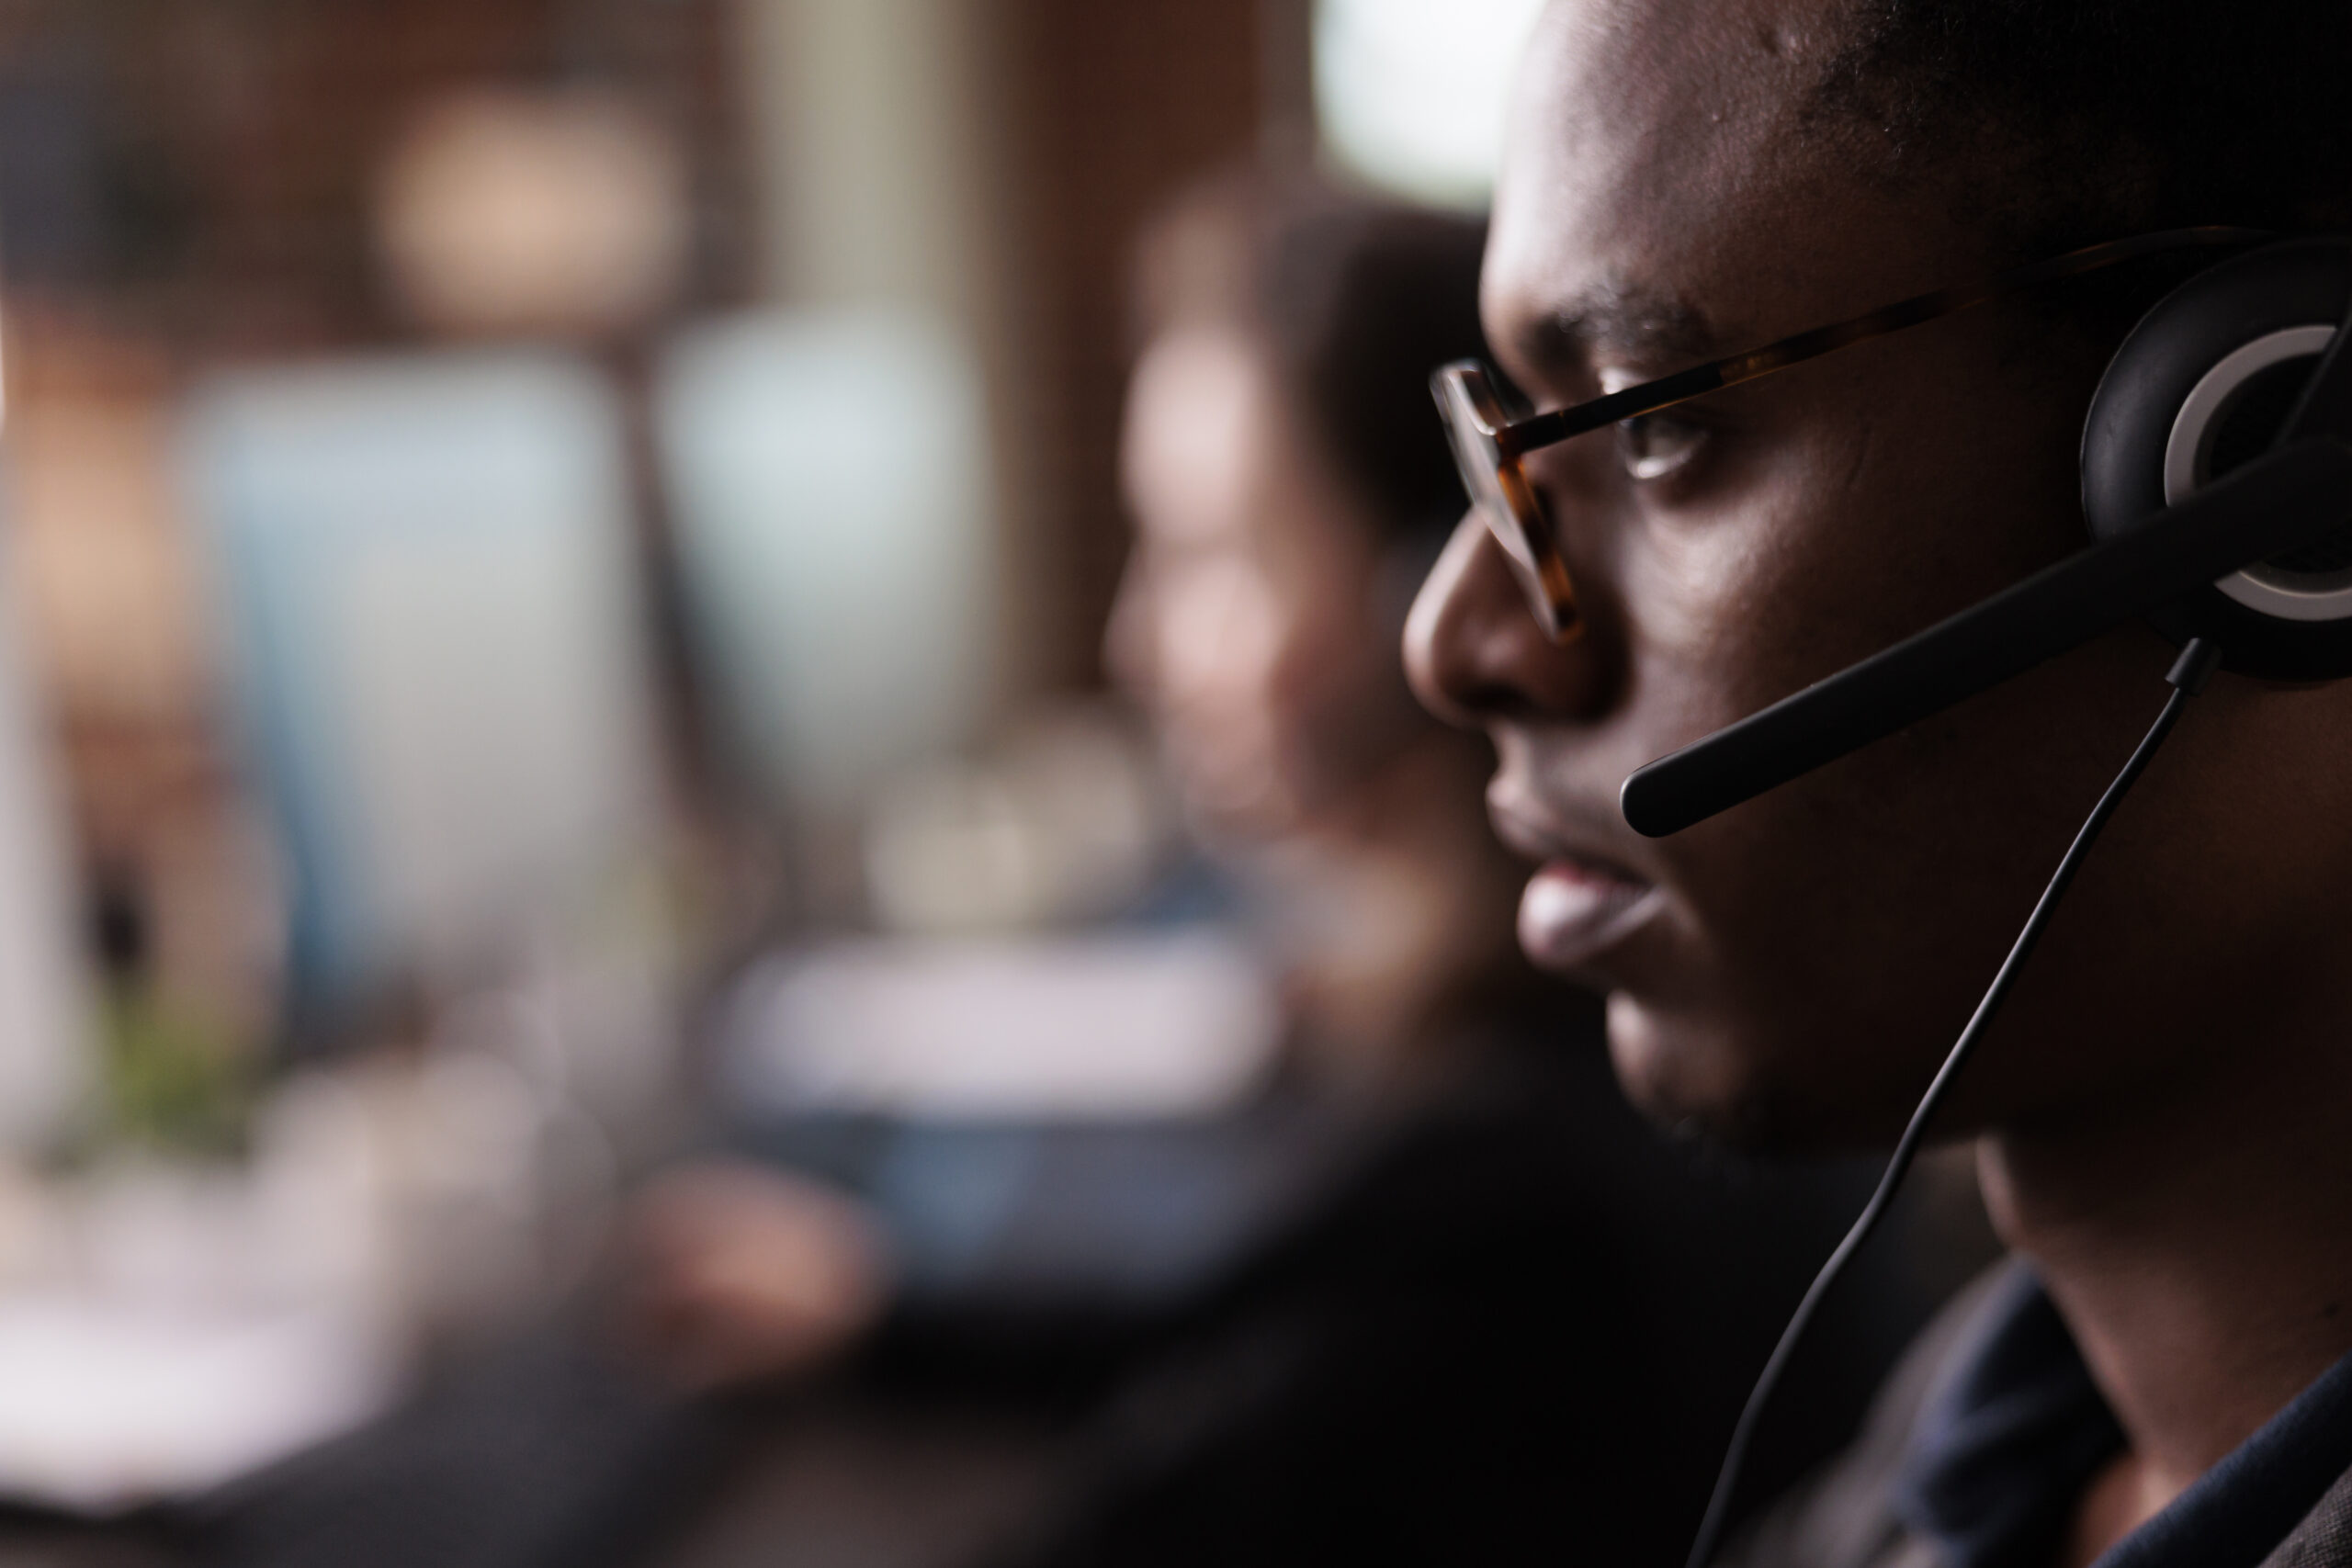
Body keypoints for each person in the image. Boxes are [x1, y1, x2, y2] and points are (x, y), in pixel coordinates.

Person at [617, 164, 1954, 1568]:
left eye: (1213, 559)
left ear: (1424, 576)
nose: (1140, 644)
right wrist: (884, 1316)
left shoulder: (1508, 1202)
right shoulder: (1534, 1072)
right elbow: (1251, 1347)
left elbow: (1188, 1479)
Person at [1403, 3, 2352, 1565]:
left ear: (2269, 474)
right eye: (1502, 437)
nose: (1462, 642)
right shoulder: (1944, 1472)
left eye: (1655, 423)